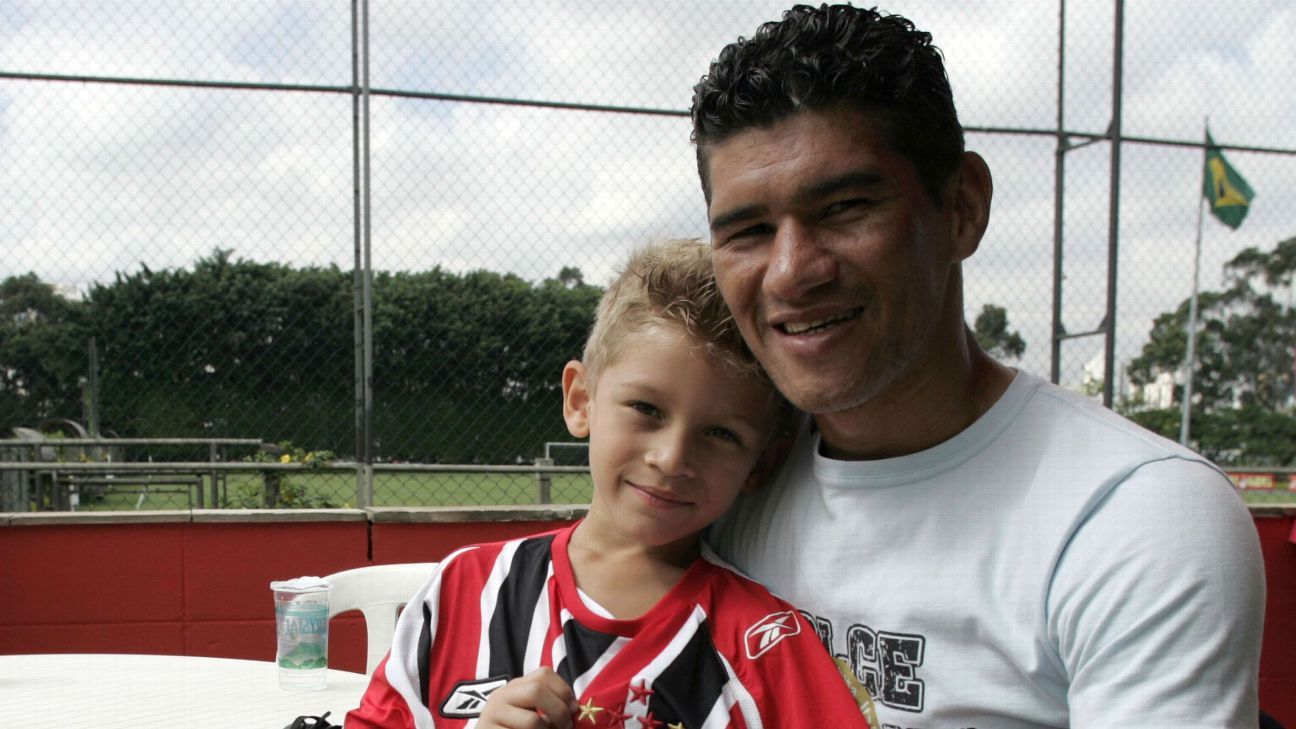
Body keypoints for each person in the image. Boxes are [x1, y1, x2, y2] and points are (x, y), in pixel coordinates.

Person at [693, 5, 1266, 728]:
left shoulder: (1134, 515)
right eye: (748, 231)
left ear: (961, 207)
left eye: (844, 208)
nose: (790, 273)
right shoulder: (727, 482)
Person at [345, 239, 871, 728]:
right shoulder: (464, 589)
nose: (671, 458)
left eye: (720, 433)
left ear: (762, 463)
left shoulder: (766, 645)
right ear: (580, 400)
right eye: (646, 408)